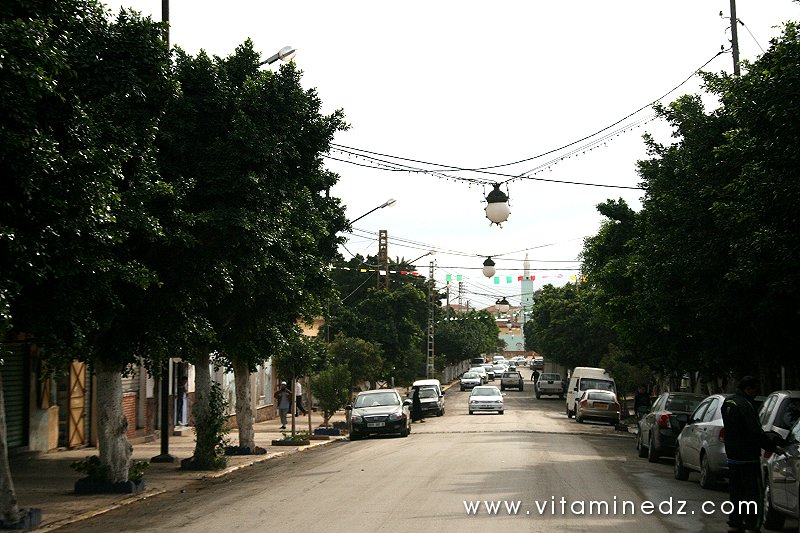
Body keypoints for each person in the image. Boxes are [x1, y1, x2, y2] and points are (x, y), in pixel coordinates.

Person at [721, 376, 781, 533]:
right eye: (755, 390)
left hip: (732, 456)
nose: (756, 393)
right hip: (748, 458)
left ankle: (735, 523)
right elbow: (755, 431)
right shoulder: (746, 405)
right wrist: (771, 446)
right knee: (753, 494)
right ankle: (751, 526)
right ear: (748, 389)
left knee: (736, 492)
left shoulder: (728, 402)